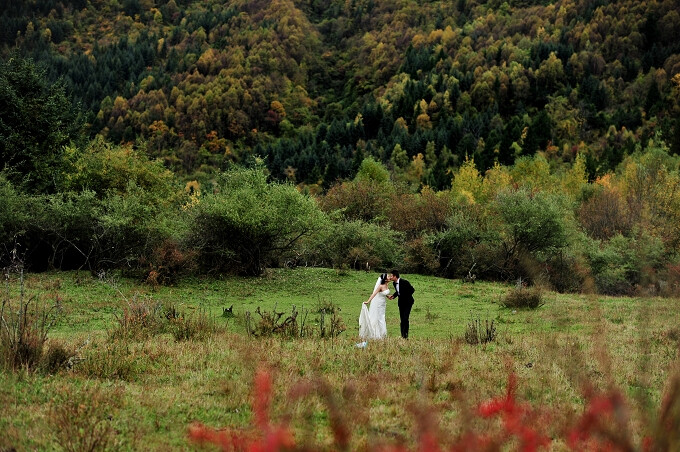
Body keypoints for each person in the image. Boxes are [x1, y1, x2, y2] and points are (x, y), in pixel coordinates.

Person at [358, 273, 390, 344]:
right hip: (378, 304)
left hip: (383, 304)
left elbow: (383, 293)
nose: (389, 277)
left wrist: (388, 296)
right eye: (388, 276)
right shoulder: (380, 286)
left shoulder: (387, 284)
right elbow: (374, 294)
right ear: (385, 279)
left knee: (382, 317)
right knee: (378, 318)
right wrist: (368, 301)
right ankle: (377, 334)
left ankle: (382, 334)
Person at [388, 270, 415, 339]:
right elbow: (398, 291)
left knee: (405, 318)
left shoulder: (404, 282)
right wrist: (393, 296)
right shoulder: (394, 283)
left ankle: (406, 335)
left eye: (391, 276)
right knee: (402, 319)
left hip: (408, 302)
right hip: (401, 303)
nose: (390, 277)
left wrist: (405, 296)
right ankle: (403, 335)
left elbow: (412, 290)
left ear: (395, 276)